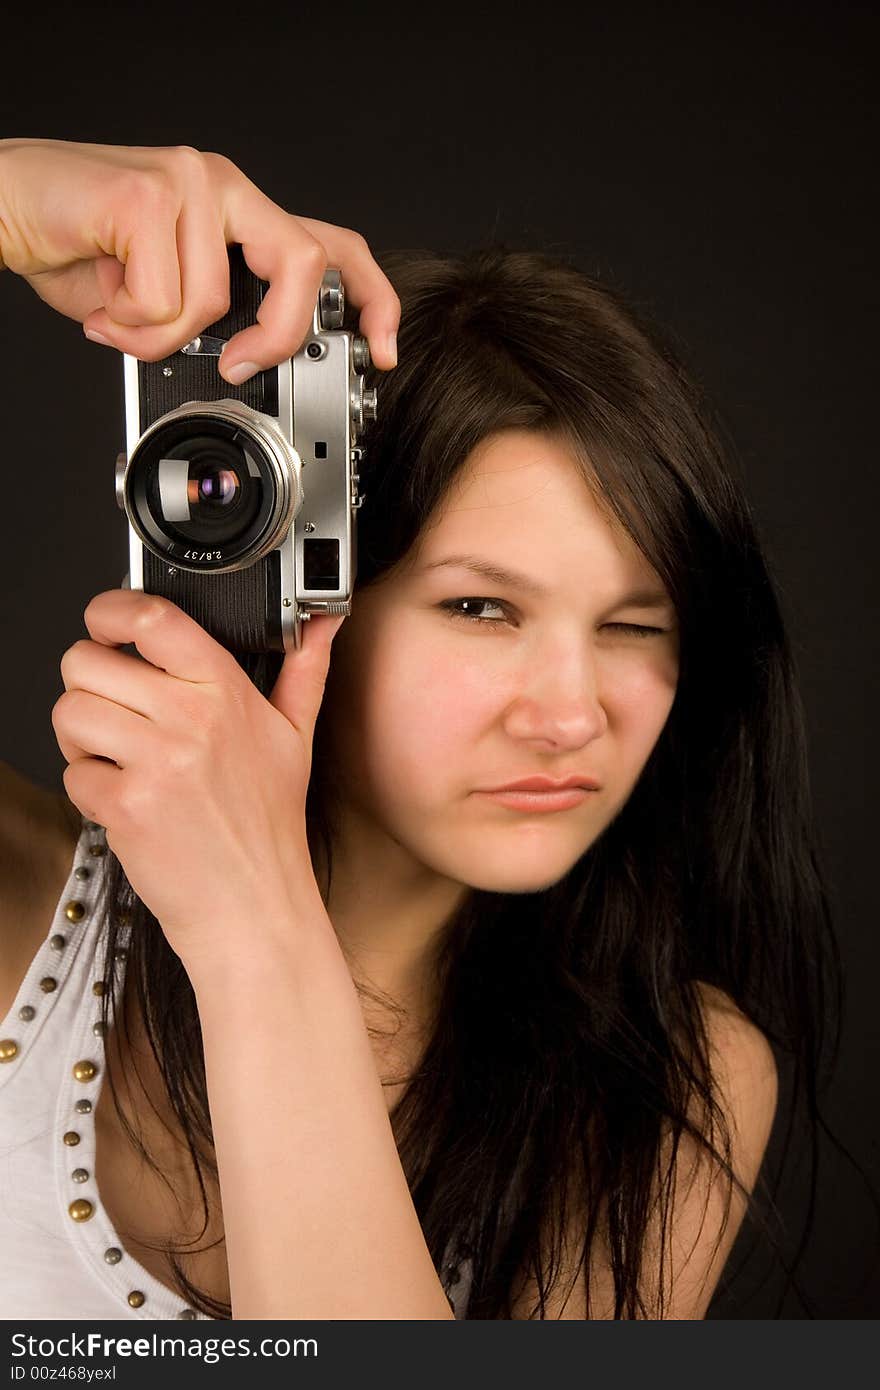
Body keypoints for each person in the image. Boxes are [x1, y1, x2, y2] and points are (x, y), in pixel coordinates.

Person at [0, 137, 842, 1321]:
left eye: (633, 626)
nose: (568, 714)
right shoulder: (18, 911)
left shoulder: (666, 1081)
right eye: (480, 607)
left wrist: (254, 923)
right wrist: (19, 195)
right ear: (306, 586)